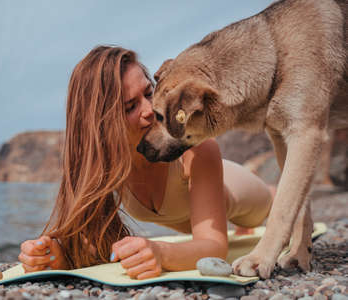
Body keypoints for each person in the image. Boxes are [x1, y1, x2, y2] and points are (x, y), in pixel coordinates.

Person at [18, 45, 273, 279]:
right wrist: (54, 257)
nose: (149, 109)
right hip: (192, 219)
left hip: (244, 194)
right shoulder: (106, 167)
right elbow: (92, 246)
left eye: (149, 93)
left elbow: (214, 248)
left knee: (270, 204)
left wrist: (160, 253)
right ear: (101, 124)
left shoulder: (194, 150)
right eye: (130, 106)